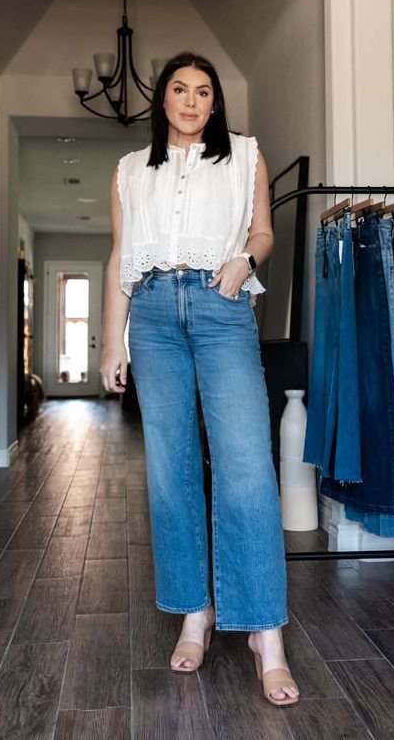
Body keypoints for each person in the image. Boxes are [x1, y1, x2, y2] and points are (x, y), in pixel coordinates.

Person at [100, 52, 299, 707]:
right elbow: (120, 255)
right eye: (180, 89)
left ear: (216, 104)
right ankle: (196, 615)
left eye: (203, 91)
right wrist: (112, 340)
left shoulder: (244, 156)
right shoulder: (130, 170)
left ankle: (265, 634)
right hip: (153, 314)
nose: (191, 100)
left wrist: (244, 259)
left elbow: (265, 232)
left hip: (220, 306)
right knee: (171, 468)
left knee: (246, 466)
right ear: (162, 99)